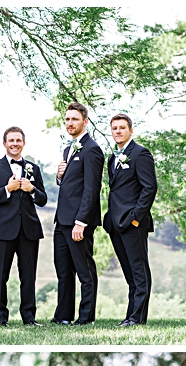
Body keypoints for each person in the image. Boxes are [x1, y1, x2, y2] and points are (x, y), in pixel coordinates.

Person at [0, 125, 47, 327]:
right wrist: (7, 189)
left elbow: (43, 199)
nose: (15, 144)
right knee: (0, 276)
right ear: (5, 143)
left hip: (29, 230)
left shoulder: (33, 169)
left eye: (18, 140)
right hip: (2, 230)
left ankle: (29, 317)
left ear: (23, 143)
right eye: (11, 140)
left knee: (29, 277)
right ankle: (0, 317)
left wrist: (31, 188)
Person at [103, 114, 158, 327]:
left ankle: (138, 318)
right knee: (129, 274)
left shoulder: (140, 154)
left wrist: (136, 218)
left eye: (122, 128)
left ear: (130, 131)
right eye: (114, 128)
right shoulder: (112, 158)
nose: (118, 131)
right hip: (115, 224)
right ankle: (130, 316)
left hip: (133, 223)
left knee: (139, 270)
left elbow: (149, 188)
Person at [52, 102, 103, 326]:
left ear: (85, 121)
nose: (70, 123)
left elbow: (92, 189)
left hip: (78, 223)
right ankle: (63, 316)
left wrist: (81, 222)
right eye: (67, 119)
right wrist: (59, 176)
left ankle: (85, 318)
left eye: (74, 119)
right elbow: (69, 185)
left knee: (84, 271)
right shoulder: (68, 149)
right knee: (63, 272)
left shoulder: (92, 149)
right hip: (61, 221)